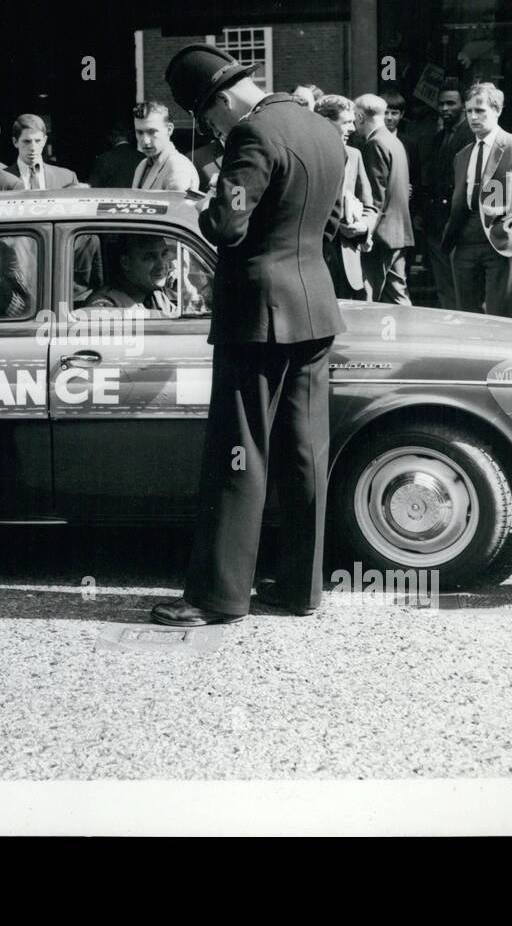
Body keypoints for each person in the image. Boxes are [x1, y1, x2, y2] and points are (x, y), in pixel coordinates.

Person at [151, 44, 345, 626]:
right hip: (313, 305)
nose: (210, 128)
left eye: (208, 117)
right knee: (306, 451)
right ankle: (299, 589)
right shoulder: (322, 129)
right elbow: (330, 221)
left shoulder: (251, 136)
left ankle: (218, 595)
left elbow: (226, 225)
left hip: (257, 313)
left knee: (238, 453)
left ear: (223, 100)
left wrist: (209, 204)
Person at [441, 82, 512, 318]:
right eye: (469, 111)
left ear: (497, 110)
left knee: (501, 318)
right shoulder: (462, 155)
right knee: (467, 318)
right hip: (464, 242)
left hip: (501, 244)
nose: (473, 117)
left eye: (480, 111)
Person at [414, 85, 472, 309]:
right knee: (444, 283)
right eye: (441, 104)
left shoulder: (470, 135)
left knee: (460, 283)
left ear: (462, 106)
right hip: (436, 221)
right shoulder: (437, 138)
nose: (445, 108)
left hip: (458, 222)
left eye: (451, 103)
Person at [354, 93, 414, 304]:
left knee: (371, 296)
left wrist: (366, 232)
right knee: (397, 294)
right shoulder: (394, 141)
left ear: (360, 116)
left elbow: (375, 198)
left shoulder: (374, 144)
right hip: (398, 232)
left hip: (381, 235)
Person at [315, 94, 375, 300]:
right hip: (315, 264)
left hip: (349, 263)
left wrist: (364, 227)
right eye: (346, 122)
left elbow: (370, 207)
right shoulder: (305, 156)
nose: (352, 128)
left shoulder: (355, 155)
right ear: (325, 122)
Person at [83, 234, 180, 317]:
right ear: (126, 263)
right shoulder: (103, 306)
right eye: (149, 257)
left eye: (164, 254)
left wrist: (183, 291)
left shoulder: (157, 296)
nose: (162, 265)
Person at [130, 100, 199, 193]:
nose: (145, 141)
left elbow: (177, 207)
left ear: (169, 130)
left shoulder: (178, 168)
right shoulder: (142, 165)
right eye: (140, 132)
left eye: (152, 132)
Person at [10, 114, 78, 189]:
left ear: (44, 141)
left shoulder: (67, 178)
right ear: (15, 142)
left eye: (38, 141)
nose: (33, 147)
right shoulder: (0, 180)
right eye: (27, 141)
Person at [87, 122, 144, 188]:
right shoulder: (142, 158)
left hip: (111, 197)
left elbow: (94, 186)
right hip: (136, 197)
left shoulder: (103, 158)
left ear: (112, 138)